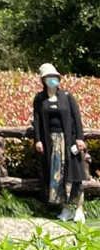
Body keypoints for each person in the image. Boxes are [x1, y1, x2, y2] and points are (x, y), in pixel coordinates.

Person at [31, 62, 87, 221]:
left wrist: (80, 138)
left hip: (69, 141)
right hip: (51, 143)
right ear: (43, 80)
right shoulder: (40, 98)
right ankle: (65, 208)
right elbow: (37, 120)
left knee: (75, 174)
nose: (52, 79)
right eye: (48, 77)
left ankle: (79, 209)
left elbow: (77, 118)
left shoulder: (67, 96)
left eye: (54, 76)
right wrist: (38, 140)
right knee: (56, 176)